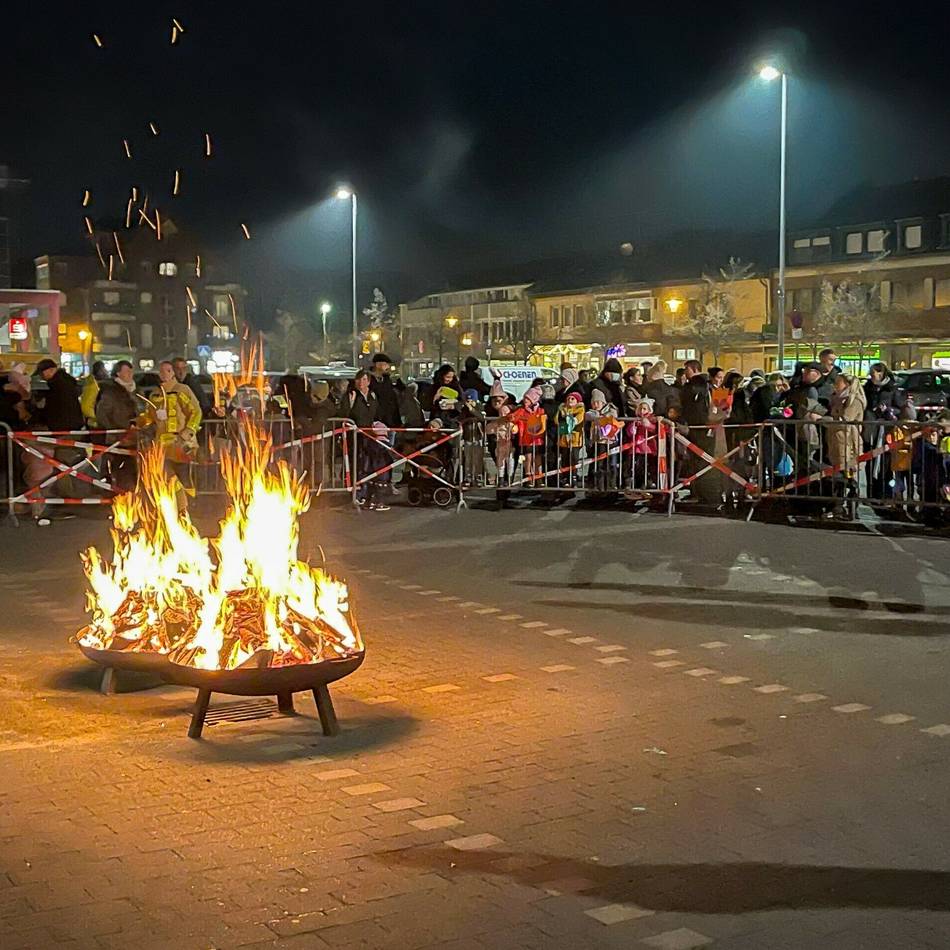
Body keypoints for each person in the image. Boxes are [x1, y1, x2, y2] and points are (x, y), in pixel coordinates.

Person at [141, 360, 203, 513]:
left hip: (181, 443)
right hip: (162, 444)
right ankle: (178, 507)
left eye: (168, 371)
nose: (164, 374)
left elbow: (196, 411)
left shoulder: (182, 390)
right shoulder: (155, 394)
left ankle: (190, 507)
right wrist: (138, 422)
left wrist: (189, 430)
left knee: (184, 475)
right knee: (167, 475)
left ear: (173, 372)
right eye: (161, 371)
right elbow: (148, 416)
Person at [863, 361, 905, 502]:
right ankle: (871, 492)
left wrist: (888, 410)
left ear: (882, 373)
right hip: (871, 430)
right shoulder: (867, 388)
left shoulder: (891, 389)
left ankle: (886, 494)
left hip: (886, 430)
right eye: (872, 373)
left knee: (886, 464)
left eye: (875, 373)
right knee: (870, 461)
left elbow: (900, 408)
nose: (873, 376)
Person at [346, 370, 388, 511]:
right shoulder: (352, 396)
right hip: (356, 437)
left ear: (369, 382)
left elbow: (377, 414)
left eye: (364, 380)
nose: (361, 383)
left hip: (370, 436)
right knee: (359, 466)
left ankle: (370, 495)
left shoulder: (372, 396)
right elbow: (343, 415)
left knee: (372, 465)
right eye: (358, 380)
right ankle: (359, 495)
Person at [95, 361, 140, 491]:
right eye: (126, 371)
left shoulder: (136, 390)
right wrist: (115, 430)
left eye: (131, 371)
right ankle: (121, 495)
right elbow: (102, 414)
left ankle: (132, 496)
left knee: (133, 469)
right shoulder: (111, 392)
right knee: (120, 469)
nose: (130, 374)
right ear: (118, 373)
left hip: (135, 437)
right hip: (119, 439)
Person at [827, 374, 867, 514]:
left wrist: (826, 420)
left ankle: (850, 503)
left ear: (847, 384)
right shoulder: (837, 399)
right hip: (837, 440)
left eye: (838, 382)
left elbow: (845, 420)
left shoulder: (854, 401)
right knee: (838, 473)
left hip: (849, 441)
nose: (835, 385)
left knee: (847, 473)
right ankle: (839, 505)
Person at [32, 358, 84, 432]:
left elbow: (54, 406)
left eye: (42, 373)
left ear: (51, 370)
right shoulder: (65, 380)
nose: (41, 376)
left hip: (63, 425)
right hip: (72, 423)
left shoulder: (57, 383)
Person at [585, 388, 621, 491]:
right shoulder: (592, 413)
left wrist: (604, 417)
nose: (596, 405)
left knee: (611, 464)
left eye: (598, 402)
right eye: (593, 403)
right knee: (599, 464)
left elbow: (613, 416)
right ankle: (599, 486)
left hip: (610, 441)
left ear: (603, 402)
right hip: (598, 442)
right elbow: (587, 415)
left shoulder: (611, 410)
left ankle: (611, 484)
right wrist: (596, 416)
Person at [509, 386, 547, 483]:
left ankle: (539, 477)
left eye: (528, 399)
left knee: (537, 457)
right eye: (525, 398)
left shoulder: (540, 411)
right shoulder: (521, 410)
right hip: (526, 438)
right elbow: (512, 418)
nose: (525, 400)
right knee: (528, 457)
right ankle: (528, 476)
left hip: (538, 439)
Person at [485, 380, 516, 486]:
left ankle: (508, 479)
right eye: (494, 399)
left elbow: (514, 427)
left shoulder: (511, 413)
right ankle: (502, 480)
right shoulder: (490, 411)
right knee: (500, 462)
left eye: (499, 399)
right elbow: (489, 428)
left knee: (510, 460)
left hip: (508, 441)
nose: (496, 401)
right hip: (497, 443)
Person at [627, 396, 659, 489]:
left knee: (648, 467)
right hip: (636, 448)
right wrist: (632, 428)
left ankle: (647, 483)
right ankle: (638, 484)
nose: (642, 410)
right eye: (640, 408)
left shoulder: (652, 418)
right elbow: (629, 432)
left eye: (644, 408)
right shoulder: (635, 420)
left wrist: (648, 425)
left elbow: (655, 429)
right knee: (638, 467)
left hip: (648, 448)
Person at [556, 390, 585, 486]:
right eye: (568, 398)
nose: (570, 400)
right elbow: (557, 420)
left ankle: (574, 476)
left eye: (572, 398)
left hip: (575, 439)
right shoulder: (562, 409)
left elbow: (578, 420)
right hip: (564, 439)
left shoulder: (580, 410)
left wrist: (570, 418)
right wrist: (561, 413)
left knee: (574, 458)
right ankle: (565, 477)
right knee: (564, 458)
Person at [80, 360, 109, 427]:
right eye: (104, 369)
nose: (106, 372)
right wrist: (98, 418)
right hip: (95, 423)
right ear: (99, 371)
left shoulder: (93, 384)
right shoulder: (94, 386)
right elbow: (86, 407)